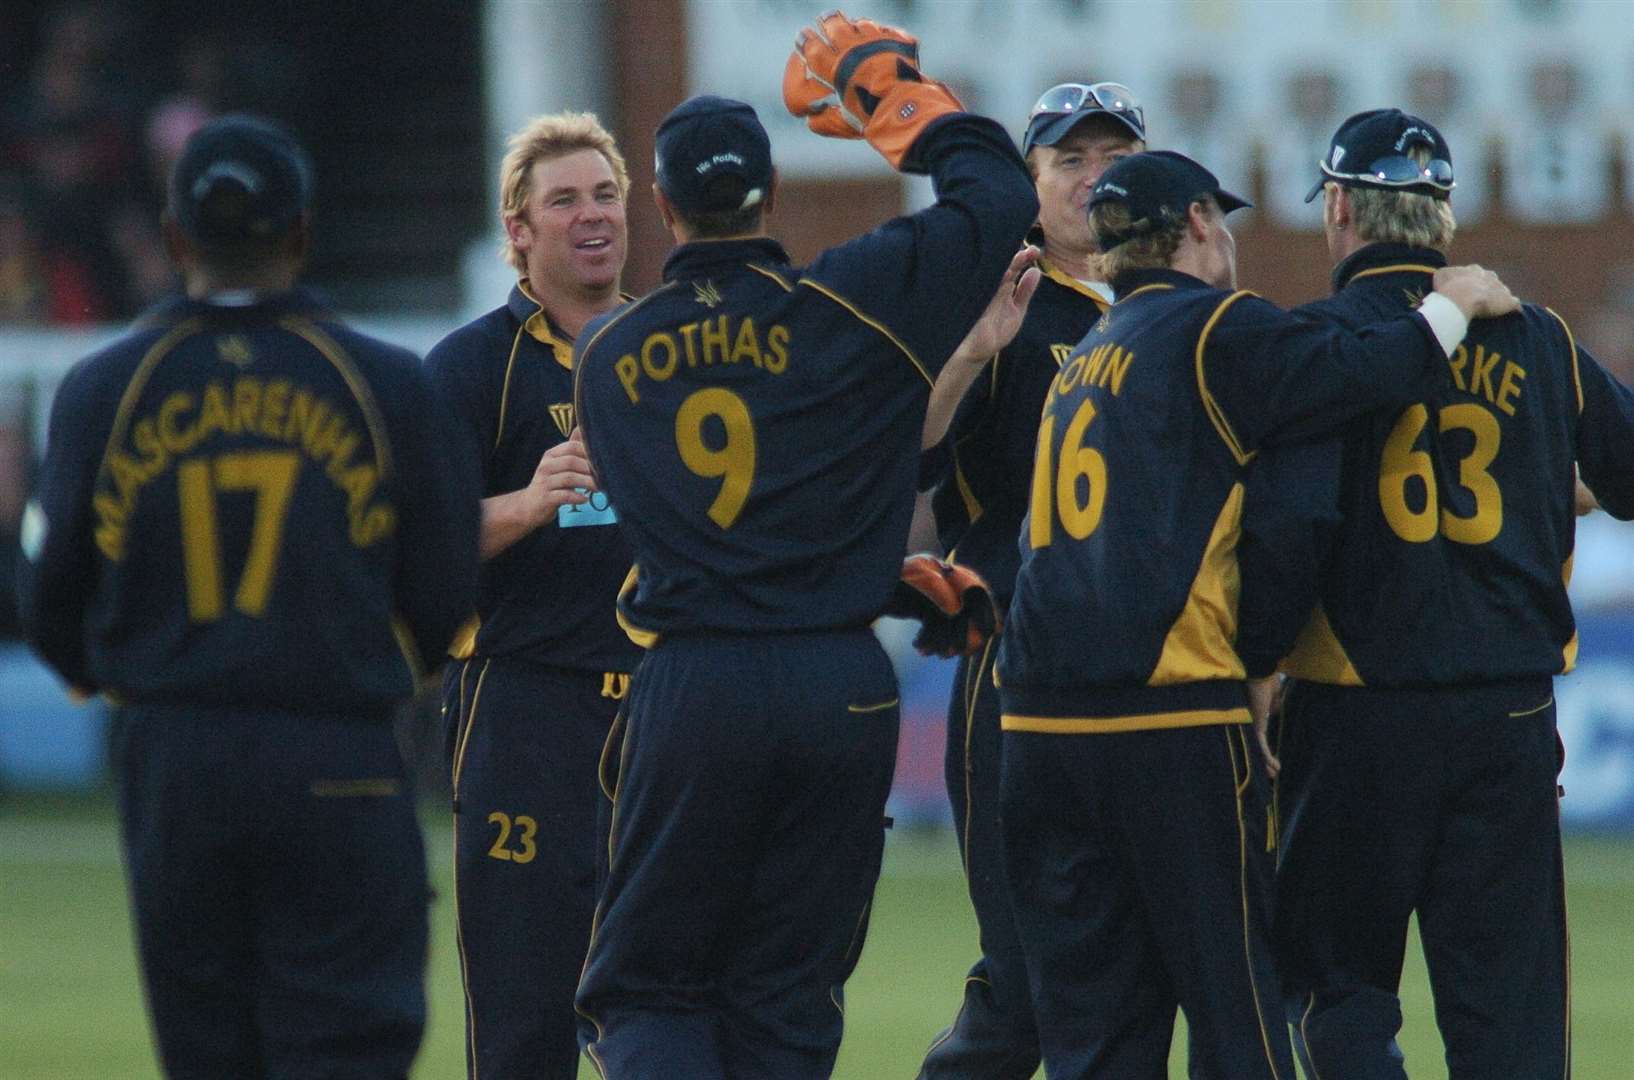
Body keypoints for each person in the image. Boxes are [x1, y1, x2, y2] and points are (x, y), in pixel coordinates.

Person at [570, 12, 1038, 1077]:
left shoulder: (608, 359)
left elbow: (688, 511)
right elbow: (1000, 195)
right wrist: (885, 93)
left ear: (661, 205)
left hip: (696, 681)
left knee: (646, 989)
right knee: (786, 993)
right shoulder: (850, 306)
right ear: (771, 194)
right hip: (839, 683)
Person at [993, 148, 1519, 1079]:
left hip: (1036, 723)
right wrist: (1453, 302)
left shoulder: (1083, 360)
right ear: (1198, 224)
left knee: (1095, 1032)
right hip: (1167, 718)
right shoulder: (1214, 329)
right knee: (1238, 1013)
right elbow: (1361, 369)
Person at [17, 114, 478, 1078]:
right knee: (347, 1044)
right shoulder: (384, 382)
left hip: (173, 752)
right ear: (302, 230)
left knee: (209, 1052)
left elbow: (53, 592)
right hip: (335, 748)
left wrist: (128, 681)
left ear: (177, 236)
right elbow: (442, 594)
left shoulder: (107, 385)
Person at [1264, 107, 1634, 1080]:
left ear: (1338, 209)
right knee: (1508, 1015)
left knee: (1339, 994)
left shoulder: (1312, 345)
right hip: (1504, 715)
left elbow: (1286, 529)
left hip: (1352, 710)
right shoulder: (1541, 343)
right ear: (1442, 220)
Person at [916, 77, 1147, 1080]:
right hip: (1011, 657)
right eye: (1070, 160)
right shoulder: (997, 298)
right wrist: (970, 354)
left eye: (1113, 159)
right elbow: (902, 448)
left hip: (1155, 674)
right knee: (1023, 982)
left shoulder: (1175, 303)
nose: (1095, 180)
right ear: (1029, 182)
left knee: (1136, 971)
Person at [421, 111, 641, 1079]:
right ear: (518, 229)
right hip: (525, 714)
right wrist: (528, 501)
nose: (589, 216)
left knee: (671, 1009)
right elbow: (409, 545)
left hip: (666, 715)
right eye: (563, 201)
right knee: (524, 1024)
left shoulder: (668, 351)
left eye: (605, 195)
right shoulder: (470, 368)